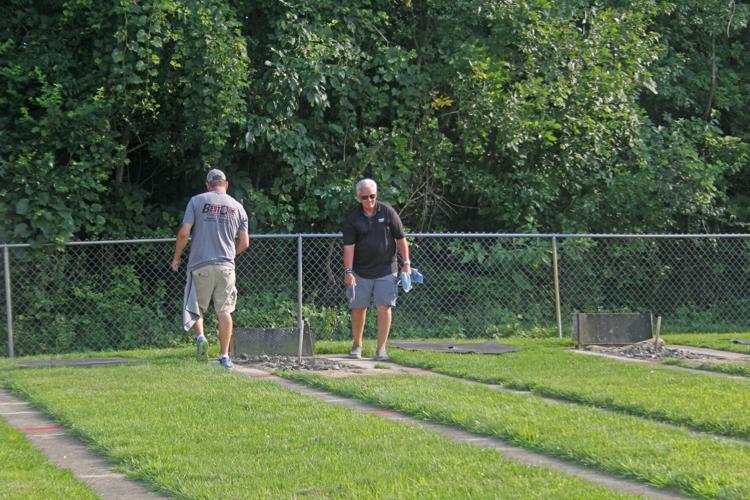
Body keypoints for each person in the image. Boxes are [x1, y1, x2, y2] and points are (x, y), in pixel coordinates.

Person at [171, 169, 250, 369]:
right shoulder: (238, 207)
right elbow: (245, 242)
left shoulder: (197, 201)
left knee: (196, 306)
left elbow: (183, 234)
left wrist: (177, 257)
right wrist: (230, 255)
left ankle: (201, 339)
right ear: (226, 184)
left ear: (208, 184)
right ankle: (224, 356)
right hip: (226, 267)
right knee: (224, 311)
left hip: (200, 264)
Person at [342, 178, 411, 361]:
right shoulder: (352, 217)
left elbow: (401, 239)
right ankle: (357, 346)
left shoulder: (387, 212)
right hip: (360, 270)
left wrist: (407, 264)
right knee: (358, 308)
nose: (370, 201)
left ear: (376, 195)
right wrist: (348, 272)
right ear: (358, 197)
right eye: (365, 197)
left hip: (386, 270)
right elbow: (349, 246)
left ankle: (381, 349)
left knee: (384, 307)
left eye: (372, 196)